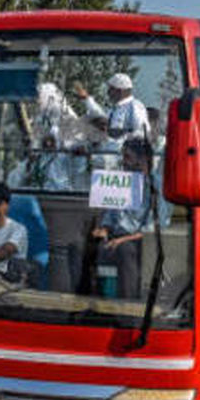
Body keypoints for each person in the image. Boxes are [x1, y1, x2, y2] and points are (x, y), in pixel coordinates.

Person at [90, 138, 169, 300]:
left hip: (141, 241)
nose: (124, 162)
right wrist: (104, 229)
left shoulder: (157, 187)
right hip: (116, 236)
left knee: (125, 251)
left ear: (142, 160)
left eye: (128, 157)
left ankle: (128, 305)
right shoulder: (122, 182)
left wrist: (122, 240)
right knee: (80, 246)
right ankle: (87, 302)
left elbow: (155, 227)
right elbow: (111, 216)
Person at [76, 72, 150, 158]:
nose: (108, 92)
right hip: (108, 157)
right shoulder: (113, 110)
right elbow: (101, 117)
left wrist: (120, 137)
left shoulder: (134, 106)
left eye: (111, 89)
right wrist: (87, 99)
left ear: (120, 91)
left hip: (123, 158)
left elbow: (142, 132)